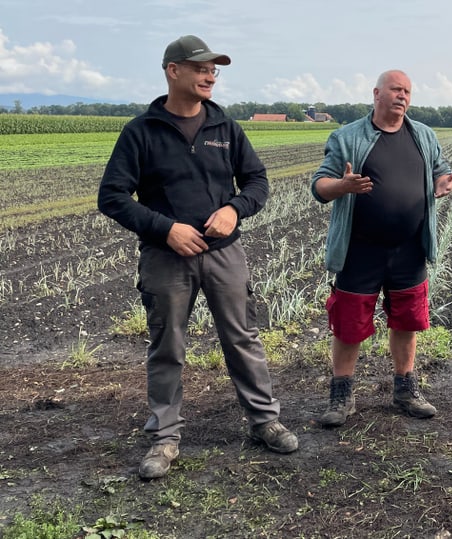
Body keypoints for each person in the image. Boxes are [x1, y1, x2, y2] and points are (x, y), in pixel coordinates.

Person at [98, 35, 299, 480]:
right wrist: (165, 228)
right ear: (173, 70)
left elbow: (257, 182)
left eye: (215, 70)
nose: (210, 75)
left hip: (225, 255)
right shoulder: (141, 132)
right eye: (201, 67)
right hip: (166, 259)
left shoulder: (225, 129)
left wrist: (233, 208)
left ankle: (264, 421)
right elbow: (112, 196)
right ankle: (164, 437)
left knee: (242, 338)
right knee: (167, 346)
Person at [310, 70, 452, 428]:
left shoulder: (423, 135)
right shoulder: (348, 137)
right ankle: (341, 395)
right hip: (360, 249)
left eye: (407, 91)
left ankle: (405, 389)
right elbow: (319, 185)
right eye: (395, 89)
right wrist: (342, 186)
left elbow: (441, 168)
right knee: (349, 323)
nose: (402, 96)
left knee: (407, 321)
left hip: (409, 248)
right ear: (376, 93)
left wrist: (442, 181)